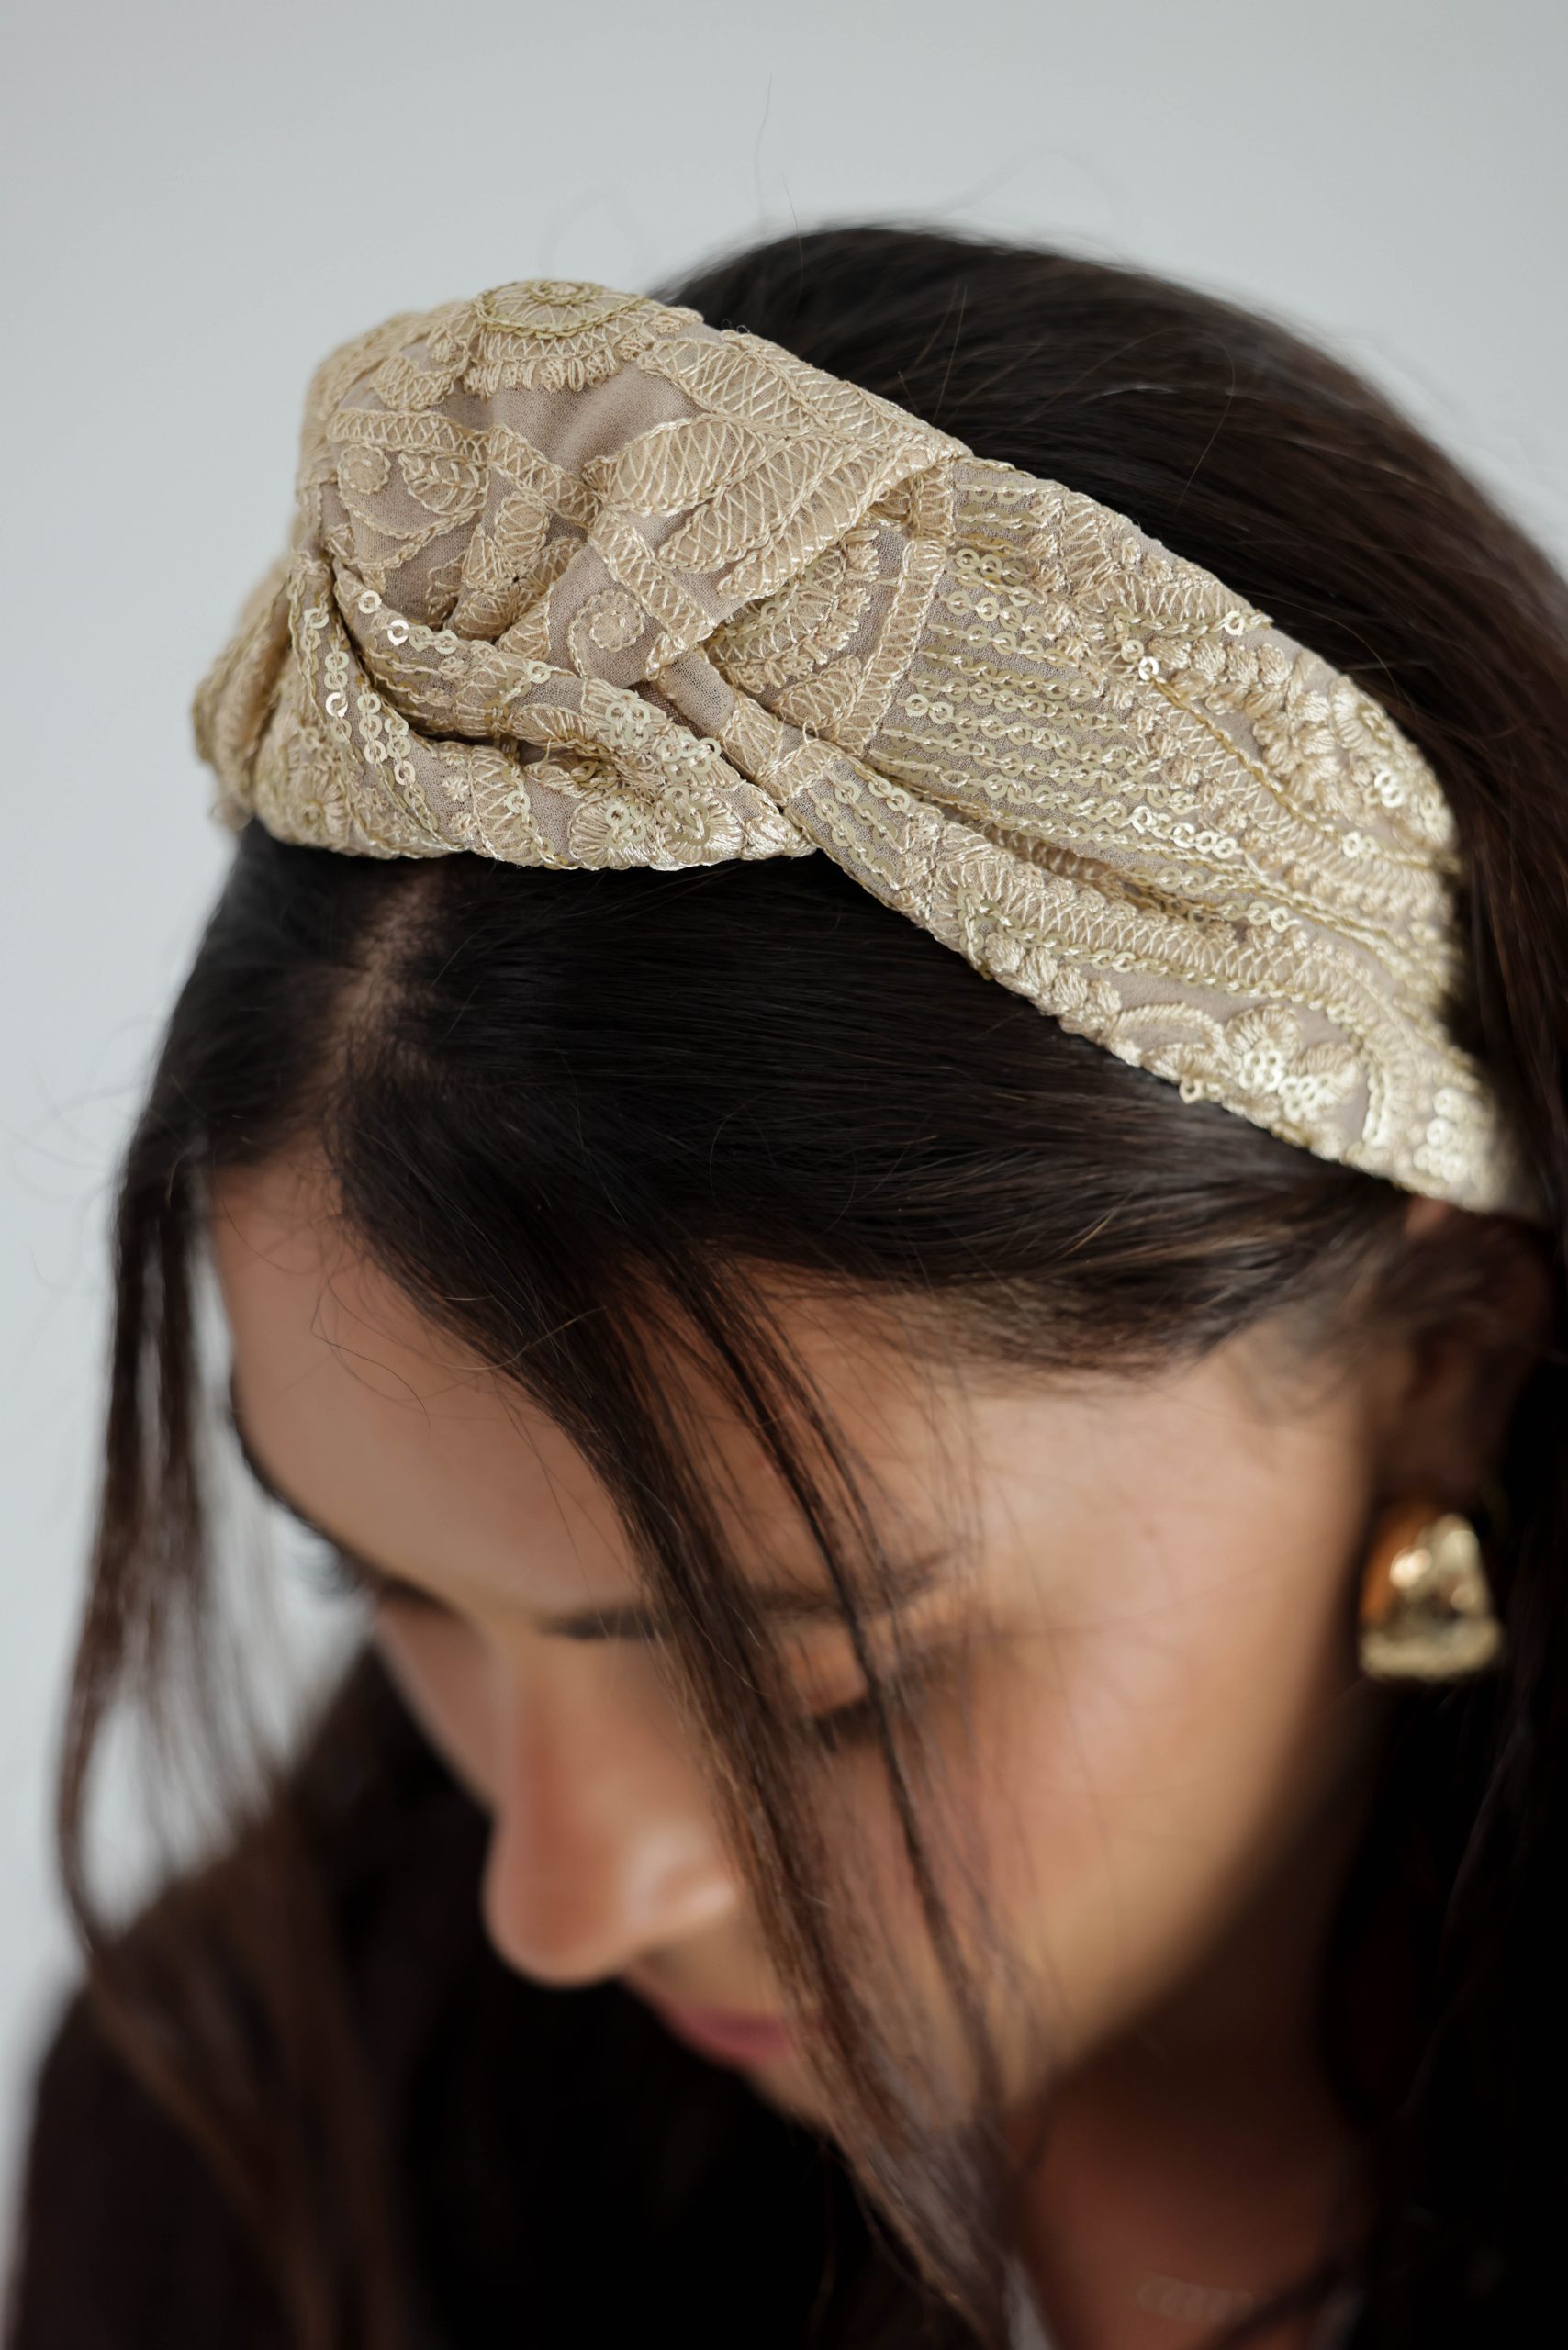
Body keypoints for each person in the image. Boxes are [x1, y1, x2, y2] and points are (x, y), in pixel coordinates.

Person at [6, 224, 1568, 2350]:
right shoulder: (265, 2151)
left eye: (822, 1683)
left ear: (1446, 1354)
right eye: (376, 1582)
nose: (559, 1904)